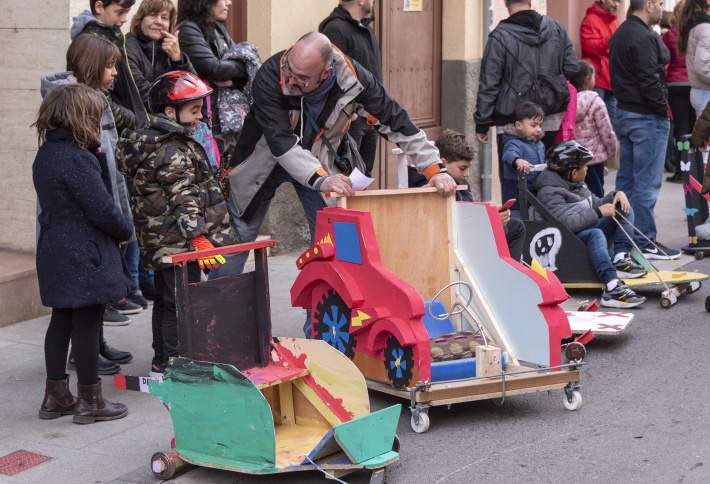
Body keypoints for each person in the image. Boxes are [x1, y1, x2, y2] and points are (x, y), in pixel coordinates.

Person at [224, 32, 456, 276]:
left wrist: (434, 167)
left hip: (318, 161)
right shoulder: (270, 75)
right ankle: (215, 312)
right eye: (290, 70)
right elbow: (281, 142)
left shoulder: (354, 80)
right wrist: (323, 180)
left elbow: (395, 120)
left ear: (325, 73)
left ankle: (321, 313)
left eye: (302, 78)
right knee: (238, 240)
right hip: (262, 161)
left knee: (329, 247)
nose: (290, 81)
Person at [116, 71, 238, 378]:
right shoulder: (171, 148)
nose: (199, 118)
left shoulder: (159, 141)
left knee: (168, 300)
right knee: (179, 303)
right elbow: (183, 196)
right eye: (193, 111)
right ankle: (173, 362)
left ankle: (165, 359)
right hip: (178, 240)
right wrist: (198, 238)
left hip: (163, 239)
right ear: (170, 112)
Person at [34, 84, 132, 424]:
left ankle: (55, 396)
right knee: (88, 323)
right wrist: (125, 231)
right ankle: (90, 400)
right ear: (81, 118)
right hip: (84, 253)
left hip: (54, 249)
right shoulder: (77, 158)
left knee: (61, 320)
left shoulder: (46, 153)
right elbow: (102, 209)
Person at [41, 34, 137, 376]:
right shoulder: (74, 116)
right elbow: (89, 191)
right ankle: (87, 386)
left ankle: (91, 350)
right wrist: (120, 224)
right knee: (83, 304)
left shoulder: (92, 105)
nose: (114, 72)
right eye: (109, 65)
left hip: (89, 216)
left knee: (80, 307)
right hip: (83, 227)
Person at [72, 0, 151, 316]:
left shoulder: (112, 37)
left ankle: (121, 288)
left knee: (123, 221)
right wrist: (134, 119)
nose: (116, 73)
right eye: (121, 11)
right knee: (107, 233)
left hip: (116, 156)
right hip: (89, 195)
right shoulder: (86, 100)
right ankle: (111, 295)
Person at [474, 0, 578, 192]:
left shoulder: (499, 36)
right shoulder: (556, 29)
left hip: (513, 120)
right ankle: (546, 218)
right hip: (550, 114)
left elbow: (489, 82)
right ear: (530, 1)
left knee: (514, 178)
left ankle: (518, 221)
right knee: (549, 175)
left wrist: (482, 122)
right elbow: (572, 67)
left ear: (505, 3)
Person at [534, 141, 647, 308]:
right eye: (584, 166)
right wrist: (599, 212)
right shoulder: (549, 192)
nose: (587, 169)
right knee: (596, 234)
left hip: (583, 230)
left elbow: (595, 203)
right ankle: (612, 287)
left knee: (623, 207)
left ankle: (621, 258)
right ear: (573, 172)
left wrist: (617, 195)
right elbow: (567, 224)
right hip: (566, 241)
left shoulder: (576, 184)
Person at [609, 0, 680, 260]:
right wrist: (662, 111)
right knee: (646, 184)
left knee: (627, 182)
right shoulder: (641, 36)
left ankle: (625, 242)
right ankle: (644, 240)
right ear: (648, 5)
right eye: (660, 3)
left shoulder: (621, 32)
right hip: (646, 117)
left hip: (626, 114)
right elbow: (650, 79)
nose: (663, 8)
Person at [408, 129, 526, 262]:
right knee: (516, 228)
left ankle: (509, 272)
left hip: (470, 237)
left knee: (515, 226)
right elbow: (450, 228)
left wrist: (492, 213)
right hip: (453, 245)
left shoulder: (459, 180)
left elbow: (469, 210)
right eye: (462, 168)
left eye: (469, 168)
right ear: (443, 162)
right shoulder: (433, 186)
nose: (467, 174)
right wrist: (490, 220)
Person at [177, 0, 248, 162]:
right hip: (202, 117)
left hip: (224, 118)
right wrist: (238, 68)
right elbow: (214, 68)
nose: (229, 3)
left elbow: (246, 64)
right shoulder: (187, 30)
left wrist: (233, 81)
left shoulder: (217, 28)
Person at [319, 0, 382, 177]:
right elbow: (331, 74)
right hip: (350, 119)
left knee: (363, 176)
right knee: (346, 177)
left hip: (371, 118)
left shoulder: (366, 28)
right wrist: (348, 111)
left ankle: (358, 206)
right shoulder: (334, 29)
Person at [71, 0, 147, 129]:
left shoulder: (109, 35)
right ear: (99, 6)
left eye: (127, 12)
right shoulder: (93, 44)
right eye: (120, 12)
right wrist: (133, 119)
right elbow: (99, 100)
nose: (124, 19)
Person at [125, 0, 194, 108]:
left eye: (164, 18)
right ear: (140, 19)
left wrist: (178, 60)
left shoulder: (169, 48)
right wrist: (179, 95)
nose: (158, 22)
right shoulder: (127, 46)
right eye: (152, 15)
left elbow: (194, 88)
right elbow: (140, 93)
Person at [569, 60, 617, 198]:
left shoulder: (568, 101)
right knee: (596, 193)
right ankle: (597, 218)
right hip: (595, 159)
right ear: (587, 79)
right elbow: (606, 131)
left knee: (577, 194)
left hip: (574, 159)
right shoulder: (596, 101)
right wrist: (611, 151)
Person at [664, 1, 694, 182]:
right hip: (694, 84)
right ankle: (694, 170)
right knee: (694, 129)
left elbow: (661, 59)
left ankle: (681, 171)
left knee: (681, 131)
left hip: (675, 85)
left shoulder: (669, 35)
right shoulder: (699, 33)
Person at [501, 102, 546, 218]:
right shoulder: (513, 142)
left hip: (535, 195)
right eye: (533, 125)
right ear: (518, 125)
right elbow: (509, 154)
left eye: (540, 125)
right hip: (516, 198)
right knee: (517, 224)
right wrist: (518, 161)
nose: (538, 130)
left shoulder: (539, 144)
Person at [580, 0, 620, 123]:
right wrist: (608, 41)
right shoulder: (590, 19)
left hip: (611, 80)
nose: (617, 4)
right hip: (596, 81)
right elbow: (587, 46)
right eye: (614, 0)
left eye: (619, 1)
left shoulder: (614, 22)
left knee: (611, 124)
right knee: (595, 123)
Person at [678, 0, 710, 122]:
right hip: (705, 93)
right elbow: (702, 67)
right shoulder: (706, 28)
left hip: (702, 92)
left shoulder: (700, 26)